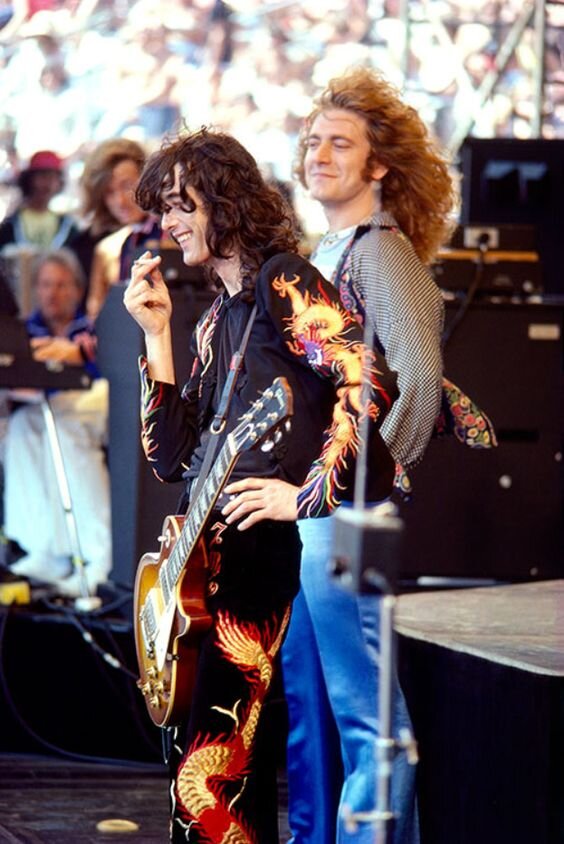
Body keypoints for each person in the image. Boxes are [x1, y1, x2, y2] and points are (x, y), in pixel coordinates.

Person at [123, 127, 399, 843]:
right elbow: (170, 457)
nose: (169, 222)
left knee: (212, 773)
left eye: (181, 204)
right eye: (164, 209)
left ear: (223, 200)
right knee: (214, 775)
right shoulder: (219, 317)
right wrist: (156, 335)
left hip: (256, 554)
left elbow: (368, 381)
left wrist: (305, 497)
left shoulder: (284, 279)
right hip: (204, 559)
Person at [226, 66, 478, 844]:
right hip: (317, 518)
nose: (320, 154)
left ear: (379, 166)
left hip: (341, 518)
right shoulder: (331, 249)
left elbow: (421, 378)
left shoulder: (381, 252)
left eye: (341, 142)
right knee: (314, 710)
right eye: (312, 141)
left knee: (369, 720)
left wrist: (355, 487)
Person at [4, 248, 112, 597]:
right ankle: (44, 549)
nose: (53, 293)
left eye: (62, 285)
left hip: (95, 399)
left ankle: (98, 554)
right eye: (46, 284)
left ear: (78, 290)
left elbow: (111, 364)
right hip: (46, 402)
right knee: (21, 429)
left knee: (66, 432)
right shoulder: (26, 329)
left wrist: (75, 354)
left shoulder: (94, 326)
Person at [68, 137, 147, 292]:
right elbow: (96, 305)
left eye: (127, 186)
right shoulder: (107, 249)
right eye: (109, 192)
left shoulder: (175, 234)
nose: (120, 201)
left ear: (146, 178)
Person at [0, 150, 77, 252]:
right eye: (43, 177)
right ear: (29, 180)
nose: (47, 185)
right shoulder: (10, 225)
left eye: (53, 178)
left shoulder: (67, 226)